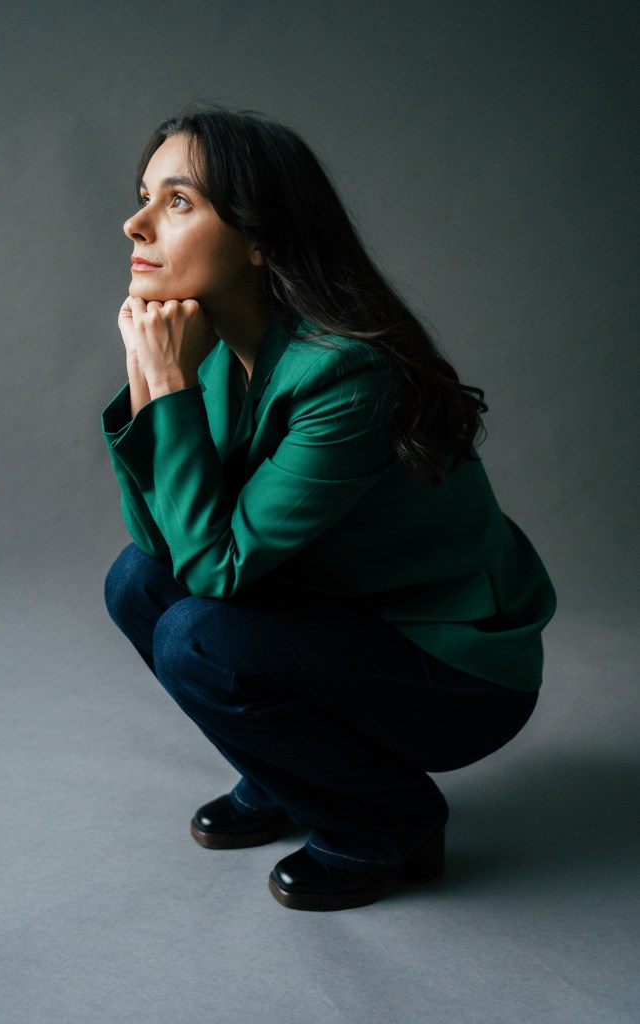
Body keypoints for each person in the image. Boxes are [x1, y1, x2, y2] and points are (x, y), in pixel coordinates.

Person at [102, 105, 556, 912]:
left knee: (195, 635)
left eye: (178, 202)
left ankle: (386, 820)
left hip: (454, 672)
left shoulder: (346, 374)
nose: (135, 225)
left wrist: (165, 385)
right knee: (135, 582)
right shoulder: (216, 352)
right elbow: (163, 545)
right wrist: (151, 382)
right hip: (339, 617)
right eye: (145, 197)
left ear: (259, 237)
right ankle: (288, 775)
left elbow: (216, 570)